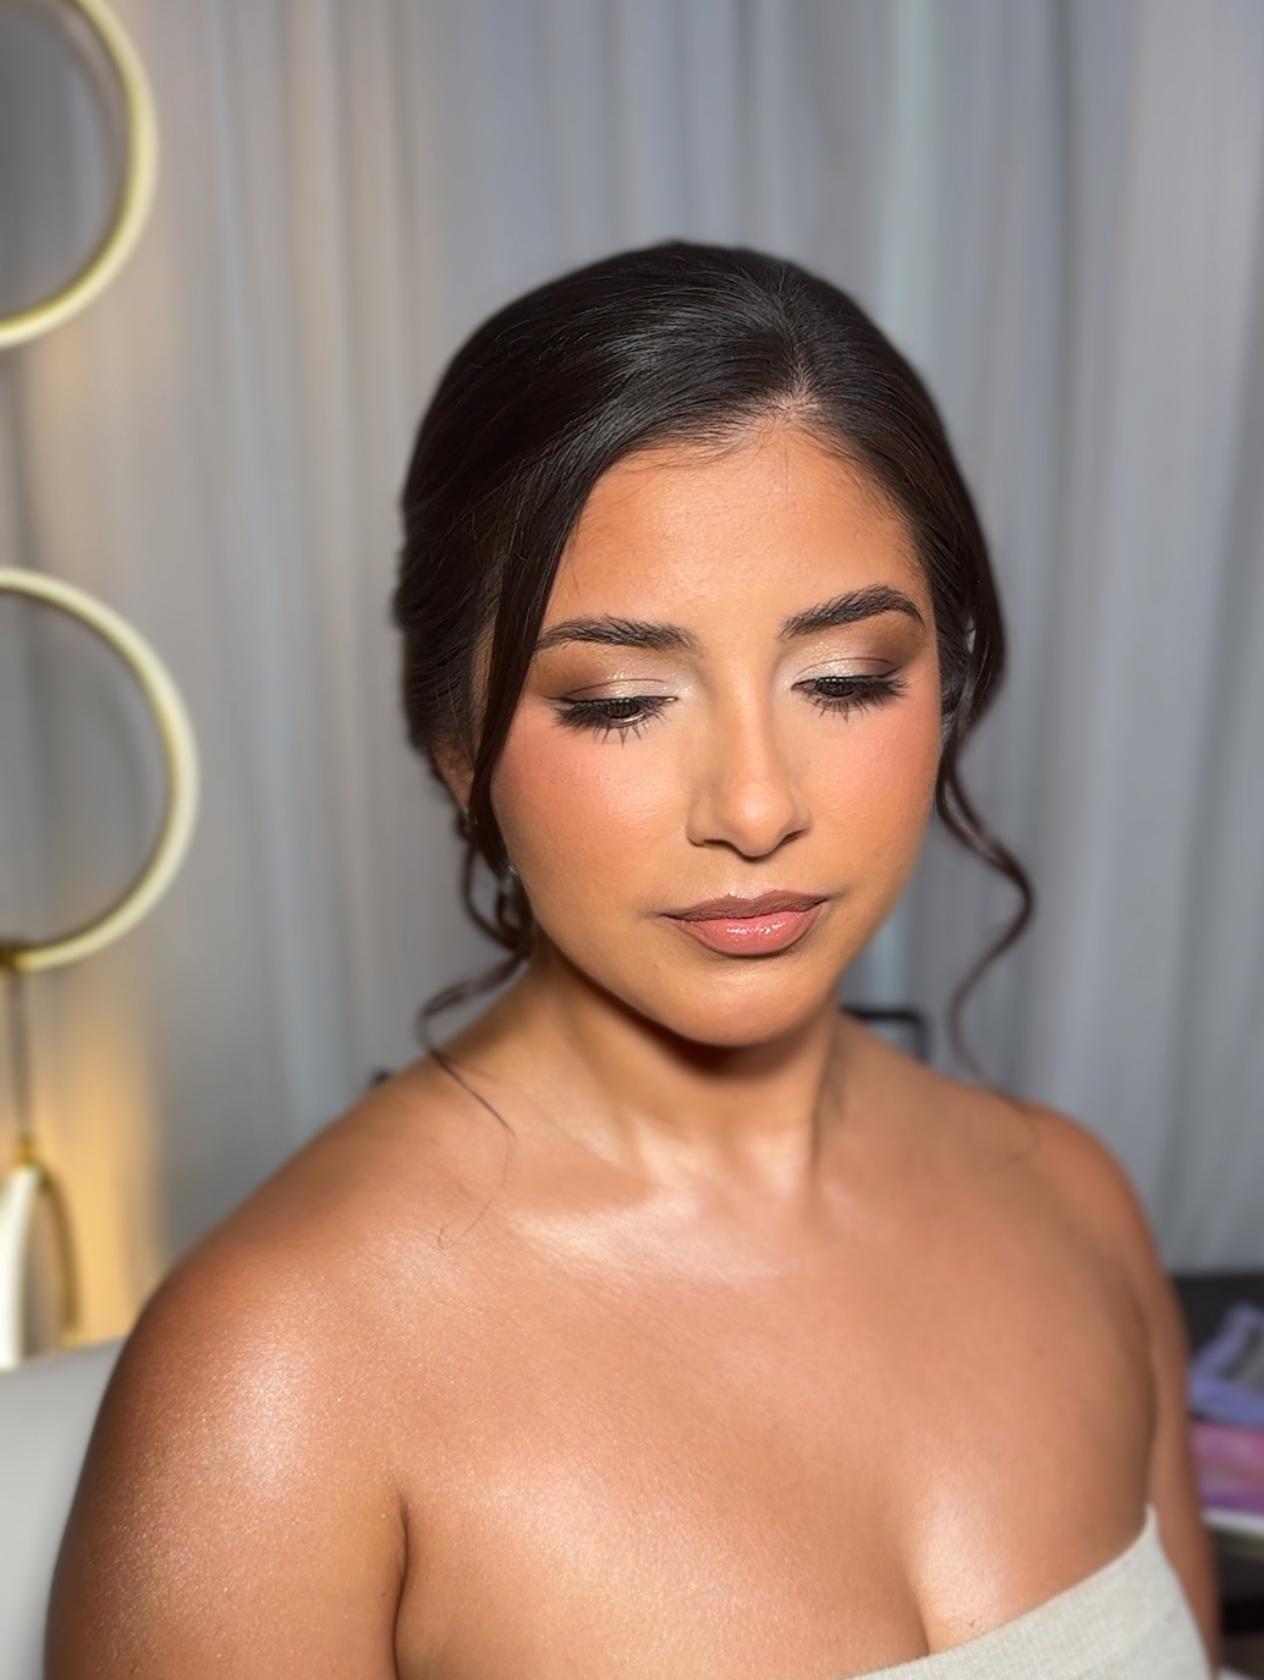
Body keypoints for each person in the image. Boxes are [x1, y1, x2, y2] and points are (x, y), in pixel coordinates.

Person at [45, 241, 1221, 1678]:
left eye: (847, 680)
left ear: (950, 683)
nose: (756, 807)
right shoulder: (279, 1376)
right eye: (618, 702)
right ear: (460, 744)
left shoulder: (1074, 1208)